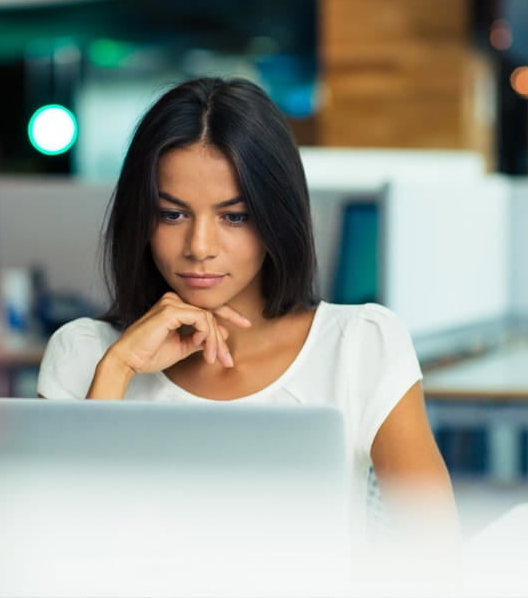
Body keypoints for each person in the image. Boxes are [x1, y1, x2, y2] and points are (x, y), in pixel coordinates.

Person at [36, 77, 459, 559]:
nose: (199, 247)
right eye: (172, 215)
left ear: (275, 218)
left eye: (233, 217)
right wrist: (116, 372)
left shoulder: (360, 344)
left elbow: (436, 560)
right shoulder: (83, 354)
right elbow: (56, 556)